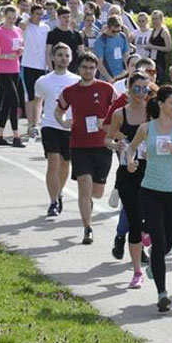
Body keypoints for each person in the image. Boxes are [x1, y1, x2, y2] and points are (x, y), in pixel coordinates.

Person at [128, 85, 172, 311]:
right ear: (160, 104)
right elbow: (131, 148)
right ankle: (162, 293)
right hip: (150, 190)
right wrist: (130, 161)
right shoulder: (146, 128)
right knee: (159, 242)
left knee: (166, 245)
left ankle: (155, 261)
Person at [55, 53, 117, 245]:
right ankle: (87, 228)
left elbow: (118, 113)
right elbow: (58, 111)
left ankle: (88, 201)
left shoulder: (107, 89)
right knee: (84, 184)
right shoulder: (69, 91)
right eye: (84, 67)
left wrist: (105, 122)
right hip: (79, 145)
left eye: (91, 68)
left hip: (102, 145)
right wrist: (63, 122)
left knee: (96, 192)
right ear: (78, 68)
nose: (88, 71)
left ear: (96, 69)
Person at [106, 72, 155, 288]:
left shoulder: (153, 112)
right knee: (134, 220)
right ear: (129, 88)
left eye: (145, 89)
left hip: (151, 171)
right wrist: (114, 144)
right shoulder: (120, 114)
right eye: (137, 88)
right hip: (127, 172)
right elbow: (107, 137)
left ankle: (147, 233)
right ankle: (137, 272)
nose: (141, 93)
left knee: (148, 216)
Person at [35, 43, 79, 217]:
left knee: (65, 163)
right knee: (53, 162)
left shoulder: (76, 80)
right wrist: (33, 124)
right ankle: (53, 202)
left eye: (67, 55)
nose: (63, 58)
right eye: (60, 55)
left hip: (70, 127)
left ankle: (59, 193)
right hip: (50, 125)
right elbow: (37, 103)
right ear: (53, 57)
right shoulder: (43, 81)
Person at [0, 6, 25, 147]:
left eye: (14, 18)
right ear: (4, 16)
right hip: (3, 70)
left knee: (7, 103)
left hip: (15, 68)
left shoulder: (18, 30)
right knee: (14, 101)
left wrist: (20, 50)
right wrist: (4, 56)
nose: (11, 20)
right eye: (9, 18)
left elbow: (20, 45)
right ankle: (16, 136)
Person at [20, 4, 50, 139]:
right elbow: (21, 25)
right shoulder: (26, 25)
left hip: (42, 66)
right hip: (27, 64)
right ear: (32, 14)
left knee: (40, 97)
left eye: (41, 14)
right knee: (30, 96)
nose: (39, 16)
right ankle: (30, 124)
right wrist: (28, 19)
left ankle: (35, 124)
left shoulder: (45, 28)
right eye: (37, 14)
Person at [92, 15, 130, 82]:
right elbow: (99, 63)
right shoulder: (101, 40)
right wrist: (109, 78)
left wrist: (128, 71)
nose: (116, 33)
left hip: (121, 74)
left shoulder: (122, 36)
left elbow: (126, 55)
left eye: (119, 31)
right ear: (108, 27)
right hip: (107, 77)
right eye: (113, 31)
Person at [46, 6, 83, 74]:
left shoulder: (76, 34)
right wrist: (51, 70)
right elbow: (48, 53)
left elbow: (81, 53)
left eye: (68, 17)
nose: (67, 19)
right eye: (64, 17)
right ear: (58, 18)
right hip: (56, 69)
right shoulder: (52, 34)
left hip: (73, 70)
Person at [145, 10, 171, 82]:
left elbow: (169, 48)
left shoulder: (164, 31)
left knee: (159, 80)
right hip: (152, 59)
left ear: (161, 19)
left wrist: (153, 47)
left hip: (160, 61)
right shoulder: (153, 30)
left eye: (156, 19)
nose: (154, 21)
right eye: (153, 19)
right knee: (151, 79)